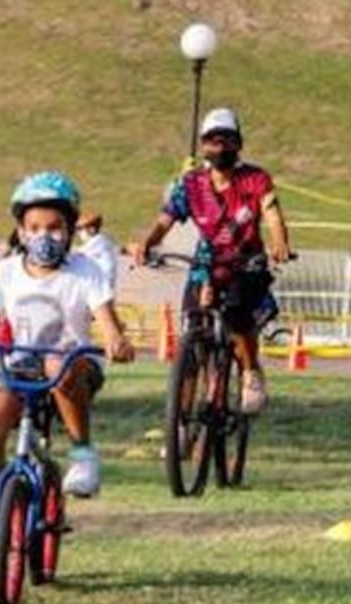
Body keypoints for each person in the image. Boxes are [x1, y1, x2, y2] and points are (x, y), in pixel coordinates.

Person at [0, 171, 135, 567]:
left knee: (56, 360)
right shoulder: (7, 271)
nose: (44, 236)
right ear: (21, 231)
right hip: (20, 369)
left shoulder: (85, 270)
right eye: (34, 227)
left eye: (54, 227)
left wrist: (116, 339)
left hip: (72, 367)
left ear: (68, 229)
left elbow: (106, 317)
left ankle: (83, 453)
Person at [132, 108, 292, 414]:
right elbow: (165, 220)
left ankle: (250, 373)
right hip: (206, 265)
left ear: (238, 144)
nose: (219, 148)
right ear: (203, 146)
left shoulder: (255, 179)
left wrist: (279, 242)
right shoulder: (191, 184)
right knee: (191, 338)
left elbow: (271, 214)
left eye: (226, 140)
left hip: (245, 263)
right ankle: (180, 424)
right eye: (212, 141)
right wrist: (147, 242)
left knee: (236, 315)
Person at [74, 210, 120, 295]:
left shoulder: (97, 242)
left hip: (101, 287)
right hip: (102, 284)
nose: (78, 233)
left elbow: (75, 256)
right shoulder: (103, 239)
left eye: (80, 229)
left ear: (91, 229)